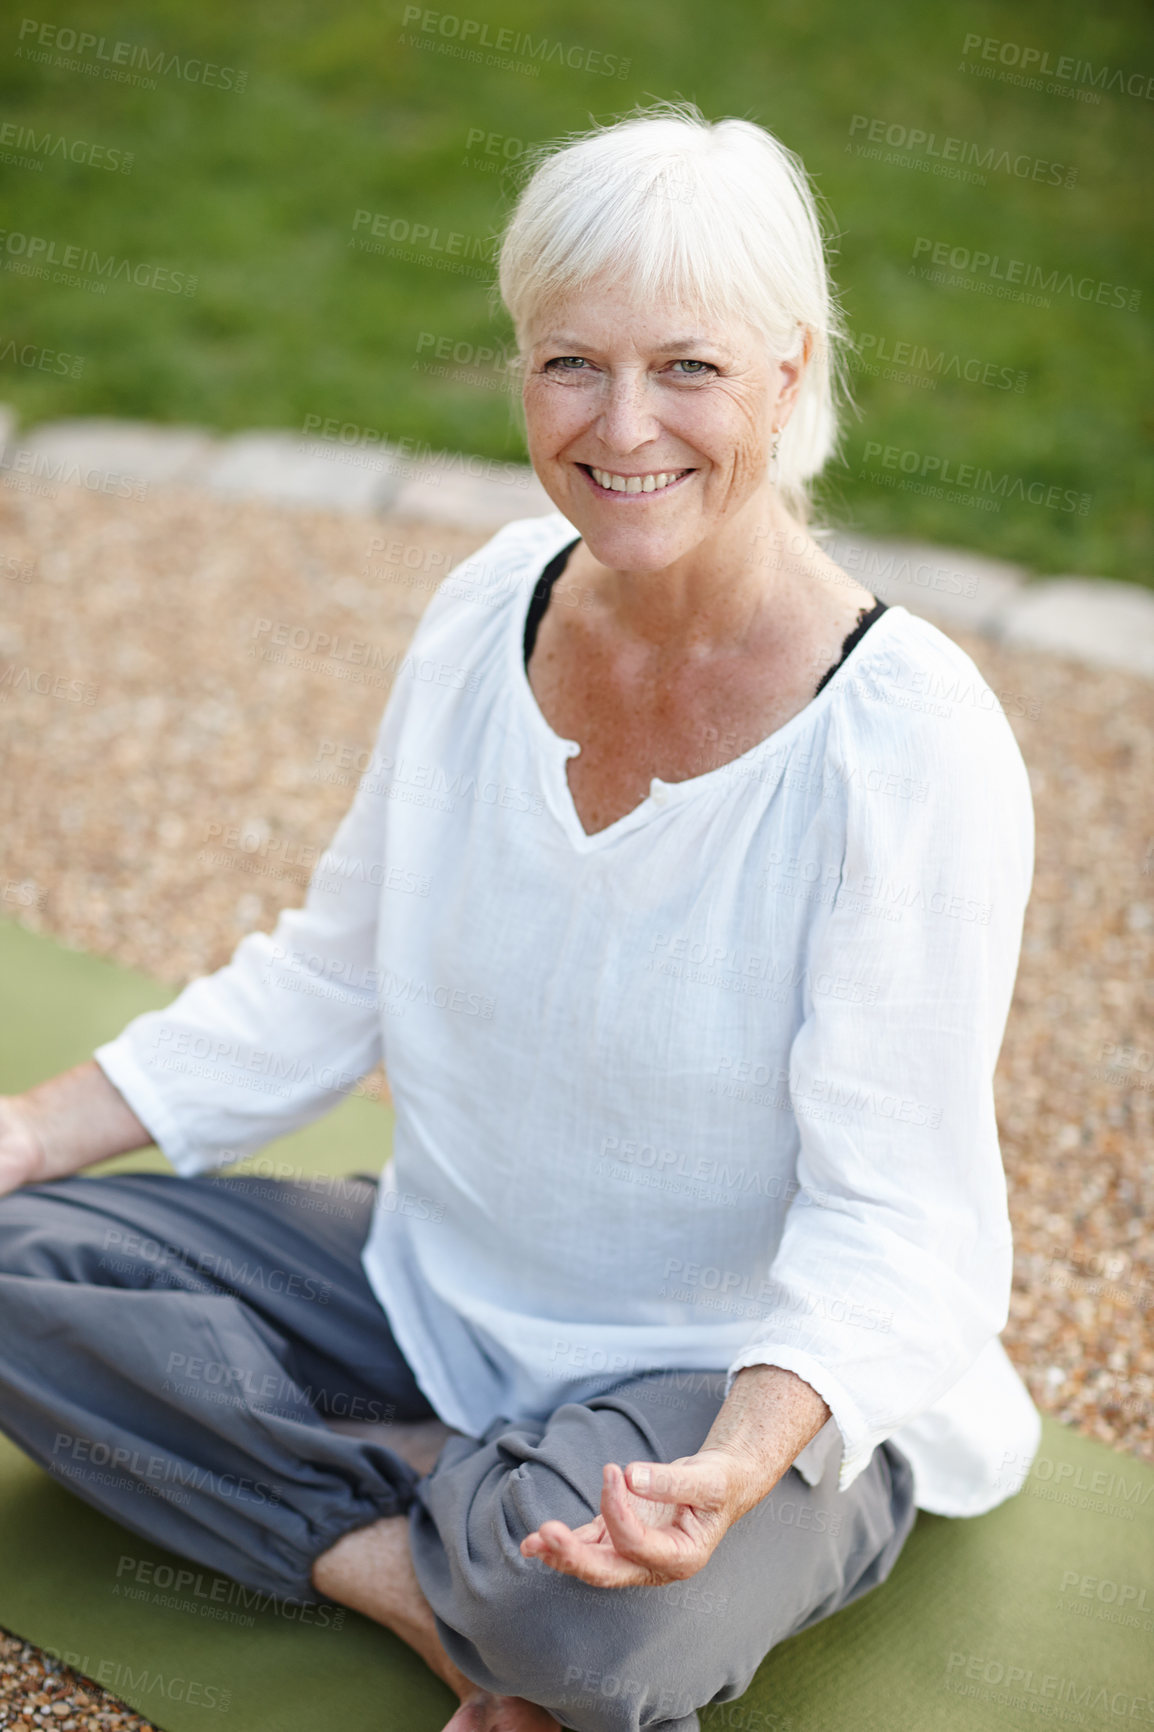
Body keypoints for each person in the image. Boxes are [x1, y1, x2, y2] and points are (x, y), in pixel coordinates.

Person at [0, 104, 1041, 1732]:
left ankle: (487, 1556)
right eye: (571, 363)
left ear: (788, 369)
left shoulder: (905, 736)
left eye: (687, 368)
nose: (622, 426)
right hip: (438, 1286)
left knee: (594, 1649)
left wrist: (738, 1462)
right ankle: (419, 1574)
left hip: (732, 1374)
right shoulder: (491, 599)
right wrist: (19, 1132)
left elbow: (899, 1223)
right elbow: (329, 975)